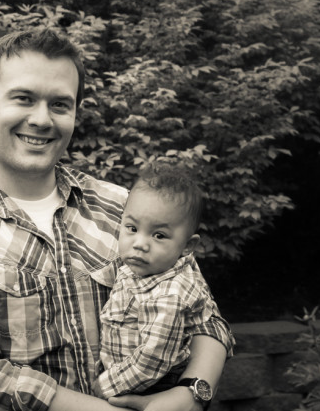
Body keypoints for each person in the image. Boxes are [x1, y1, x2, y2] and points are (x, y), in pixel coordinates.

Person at [0, 28, 233, 411]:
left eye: (60, 104)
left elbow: (205, 317)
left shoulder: (121, 210)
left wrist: (192, 393)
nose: (42, 119)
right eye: (23, 98)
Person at [92, 164, 232, 406]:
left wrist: (103, 386)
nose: (140, 244)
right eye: (132, 229)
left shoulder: (169, 293)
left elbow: (153, 359)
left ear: (188, 246)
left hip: (151, 386)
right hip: (129, 375)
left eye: (159, 235)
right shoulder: (146, 268)